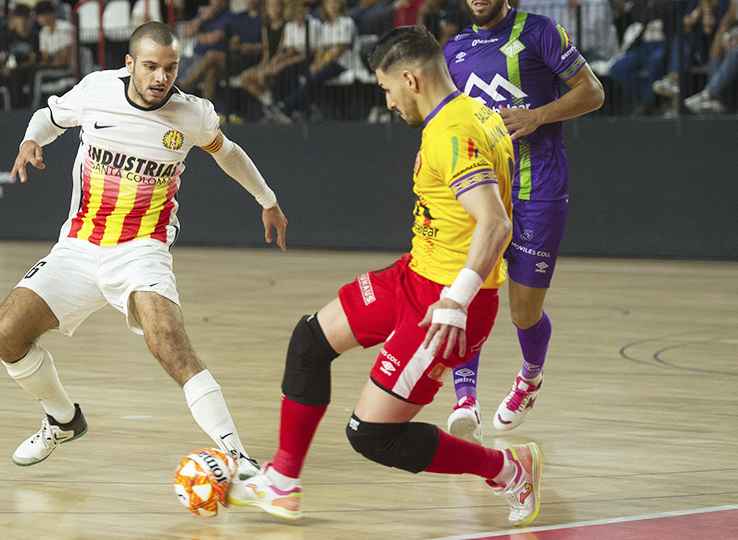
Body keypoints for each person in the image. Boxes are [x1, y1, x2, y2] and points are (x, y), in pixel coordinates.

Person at [230, 25, 544, 528]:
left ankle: (509, 469)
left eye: (385, 89)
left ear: (409, 79)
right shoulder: (474, 112)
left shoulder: (453, 132)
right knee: (310, 341)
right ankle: (282, 482)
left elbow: (496, 221)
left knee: (371, 434)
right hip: (413, 276)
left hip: (445, 308)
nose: (389, 102)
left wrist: (457, 298)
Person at [0, 21, 288, 478]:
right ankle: (63, 420)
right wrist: (30, 139)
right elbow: (50, 118)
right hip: (77, 247)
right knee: (5, 333)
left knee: (168, 344)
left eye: (170, 68)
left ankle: (239, 455)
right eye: (150, 67)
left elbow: (228, 152)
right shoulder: (96, 90)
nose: (160, 78)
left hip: (140, 249)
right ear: (129, 64)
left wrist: (267, 200)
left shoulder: (192, 114)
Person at [440, 0, 603, 444]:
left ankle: (530, 378)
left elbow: (593, 92)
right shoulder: (453, 49)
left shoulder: (541, 31)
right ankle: (464, 398)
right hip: (479, 189)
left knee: (523, 311)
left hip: (539, 188)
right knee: (467, 290)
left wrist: (537, 116)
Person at [270, 0, 355, 122]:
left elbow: (339, 50)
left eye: (335, 2)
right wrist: (315, 64)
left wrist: (321, 63)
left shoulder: (346, 22)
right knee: (307, 76)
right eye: (329, 3)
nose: (332, 6)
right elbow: (322, 49)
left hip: (343, 64)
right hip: (326, 64)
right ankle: (300, 111)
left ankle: (284, 107)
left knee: (313, 78)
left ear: (341, 5)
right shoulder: (326, 25)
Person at [651, 0, 737, 100]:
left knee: (686, 50)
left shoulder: (725, 3)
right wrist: (700, 11)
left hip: (710, 48)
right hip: (692, 47)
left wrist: (707, 17)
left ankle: (676, 81)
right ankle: (673, 81)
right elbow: (685, 23)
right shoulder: (697, 3)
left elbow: (712, 29)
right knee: (681, 42)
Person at [684, 14, 738, 113]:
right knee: (716, 52)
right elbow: (729, 17)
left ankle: (709, 93)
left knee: (737, 52)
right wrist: (719, 36)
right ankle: (714, 102)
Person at [178, 0, 235, 103]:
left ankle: (183, 86)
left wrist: (196, 35)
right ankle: (177, 90)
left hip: (216, 61)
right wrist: (201, 19)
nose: (217, 2)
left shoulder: (230, 16)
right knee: (179, 62)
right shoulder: (204, 15)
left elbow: (215, 38)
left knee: (209, 67)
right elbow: (187, 32)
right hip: (195, 55)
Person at [30, 0, 74, 110]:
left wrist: (50, 61)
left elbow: (65, 60)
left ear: (50, 15)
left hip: (69, 69)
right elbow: (46, 58)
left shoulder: (65, 28)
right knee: (30, 70)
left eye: (40, 16)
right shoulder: (43, 32)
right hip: (54, 68)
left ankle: (34, 108)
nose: (38, 19)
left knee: (39, 74)